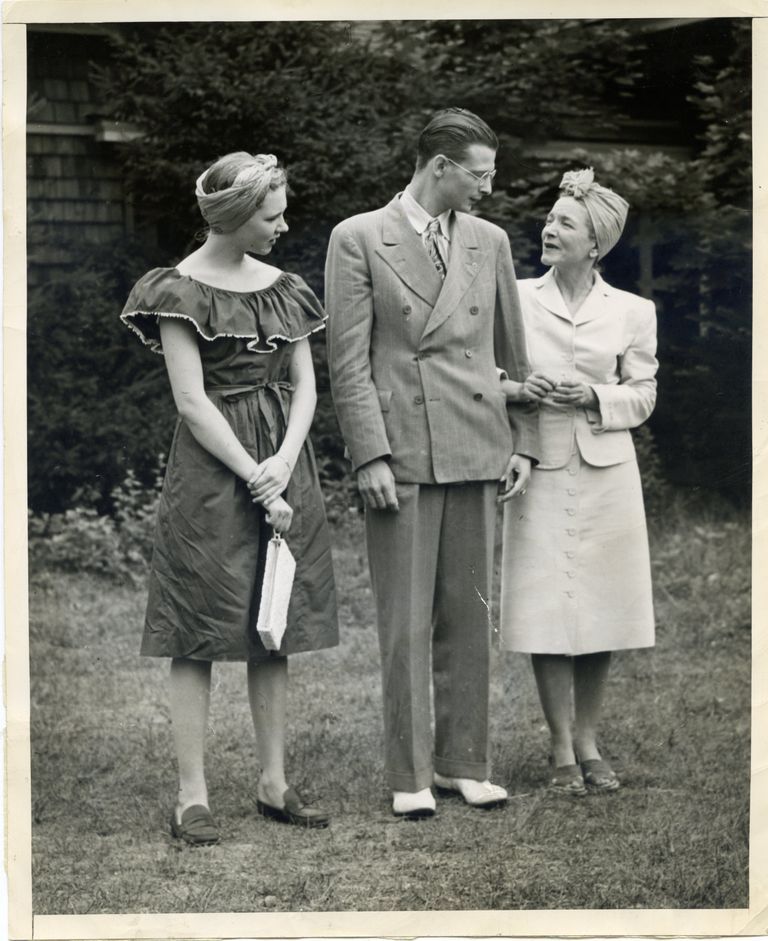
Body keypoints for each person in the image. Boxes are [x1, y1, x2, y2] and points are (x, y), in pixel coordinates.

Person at [325, 108, 538, 818]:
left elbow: (514, 353)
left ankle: (465, 763)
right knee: (406, 623)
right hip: (404, 454)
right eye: (480, 173)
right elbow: (348, 362)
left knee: (470, 618)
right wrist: (371, 455)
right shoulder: (358, 238)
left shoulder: (490, 241)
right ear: (440, 167)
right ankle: (411, 773)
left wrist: (525, 442)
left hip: (479, 443)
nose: (488, 185)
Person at [120, 152, 338, 844]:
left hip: (282, 458)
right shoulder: (178, 289)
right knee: (198, 626)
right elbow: (191, 400)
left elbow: (305, 385)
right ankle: (192, 795)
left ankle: (274, 782)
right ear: (238, 217)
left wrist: (283, 460)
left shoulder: (285, 287)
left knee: (272, 619)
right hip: (216, 470)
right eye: (272, 216)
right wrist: (253, 471)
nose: (282, 225)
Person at [498, 167, 657, 796]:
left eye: (563, 222)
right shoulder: (515, 297)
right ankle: (561, 747)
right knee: (545, 603)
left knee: (602, 606)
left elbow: (643, 395)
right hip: (537, 461)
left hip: (607, 469)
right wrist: (520, 390)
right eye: (549, 219)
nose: (548, 227)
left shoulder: (633, 311)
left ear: (595, 244)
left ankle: (589, 740)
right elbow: (490, 372)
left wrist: (593, 393)